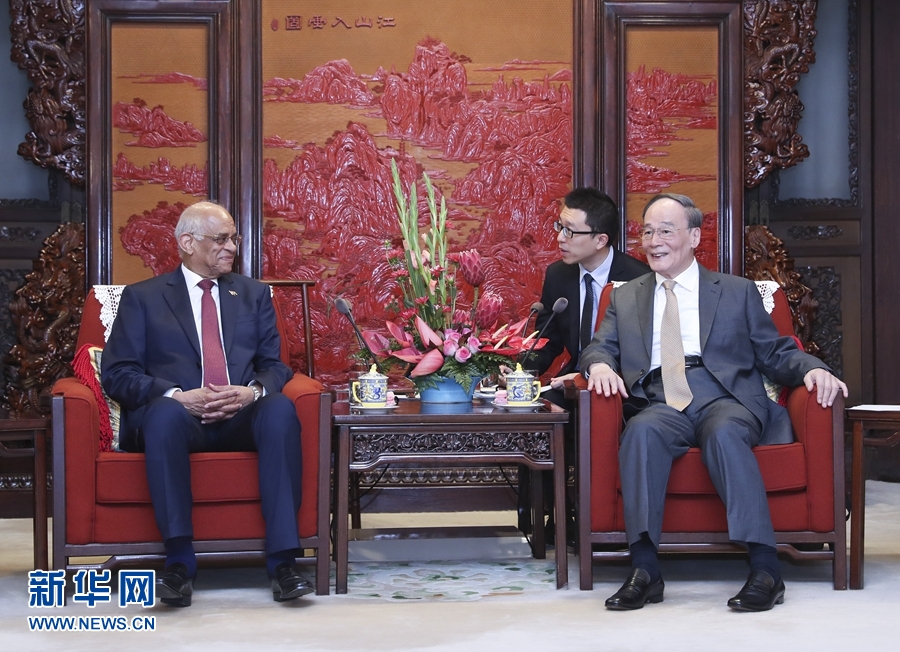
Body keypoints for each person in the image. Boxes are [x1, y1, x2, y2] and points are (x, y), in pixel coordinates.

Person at [580, 193, 847, 612]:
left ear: (693, 237)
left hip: (724, 395)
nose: (653, 241)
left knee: (724, 434)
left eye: (665, 231)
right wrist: (598, 365)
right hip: (658, 399)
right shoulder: (626, 297)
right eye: (647, 232)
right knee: (642, 433)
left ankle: (765, 569)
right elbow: (599, 347)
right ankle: (645, 570)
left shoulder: (736, 292)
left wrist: (814, 369)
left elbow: (775, 351)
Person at [101, 201, 310, 607]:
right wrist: (177, 397)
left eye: (233, 238)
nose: (231, 247)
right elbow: (118, 373)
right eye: (221, 239)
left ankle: (284, 563)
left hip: (240, 415)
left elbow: (274, 365)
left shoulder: (252, 294)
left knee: (280, 409)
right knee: (163, 414)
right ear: (187, 242)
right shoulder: (143, 298)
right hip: (180, 419)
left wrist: (252, 392)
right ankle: (179, 563)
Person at [521, 188, 650, 542]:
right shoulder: (558, 275)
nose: (560, 238)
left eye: (570, 231)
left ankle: (593, 517)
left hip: (620, 385)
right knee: (535, 413)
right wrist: (521, 370)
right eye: (559, 227)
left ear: (600, 239)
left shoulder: (638, 278)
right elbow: (548, 339)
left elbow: (642, 353)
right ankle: (551, 517)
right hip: (572, 382)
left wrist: (590, 373)